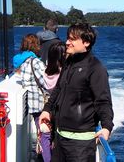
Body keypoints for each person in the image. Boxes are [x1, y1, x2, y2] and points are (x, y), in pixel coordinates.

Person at [39, 22, 114, 162]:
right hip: (60, 137)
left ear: (86, 42)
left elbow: (103, 101)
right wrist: (47, 109)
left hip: (81, 145)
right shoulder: (69, 63)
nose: (67, 42)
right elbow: (58, 89)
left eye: (72, 39)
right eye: (67, 38)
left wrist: (106, 127)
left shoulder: (96, 68)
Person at [14, 34, 46, 161]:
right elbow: (45, 82)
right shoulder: (36, 62)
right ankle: (45, 157)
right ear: (36, 45)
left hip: (31, 104)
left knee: (40, 130)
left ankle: (41, 154)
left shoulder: (20, 61)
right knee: (45, 133)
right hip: (40, 103)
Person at [37, 42, 65, 162]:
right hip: (59, 109)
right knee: (58, 138)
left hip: (46, 108)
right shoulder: (64, 73)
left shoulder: (45, 73)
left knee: (45, 137)